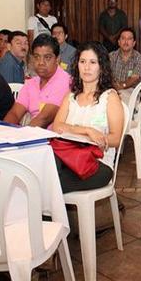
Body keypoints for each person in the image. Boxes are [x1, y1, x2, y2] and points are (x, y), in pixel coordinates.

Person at [51, 41, 125, 193]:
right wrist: (87, 131)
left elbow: (115, 139)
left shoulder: (109, 97)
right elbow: (57, 126)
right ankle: (60, 215)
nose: (86, 67)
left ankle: (57, 215)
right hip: (68, 157)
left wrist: (78, 134)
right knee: (47, 170)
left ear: (102, 67)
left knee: (50, 183)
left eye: (93, 62)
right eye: (82, 62)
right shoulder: (71, 97)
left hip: (97, 163)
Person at [4, 34, 70, 128]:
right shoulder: (31, 83)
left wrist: (22, 137)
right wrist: (4, 132)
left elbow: (44, 118)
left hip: (52, 138)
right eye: (37, 57)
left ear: (57, 59)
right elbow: (15, 113)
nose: (41, 62)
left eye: (47, 57)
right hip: (32, 134)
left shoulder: (64, 81)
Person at [109, 27, 141, 102]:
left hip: (132, 91)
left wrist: (122, 86)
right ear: (119, 42)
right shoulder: (111, 56)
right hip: (111, 89)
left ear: (134, 43)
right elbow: (106, 74)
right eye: (123, 38)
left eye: (129, 39)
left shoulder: (139, 58)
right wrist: (114, 87)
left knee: (118, 100)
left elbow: (134, 79)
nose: (126, 42)